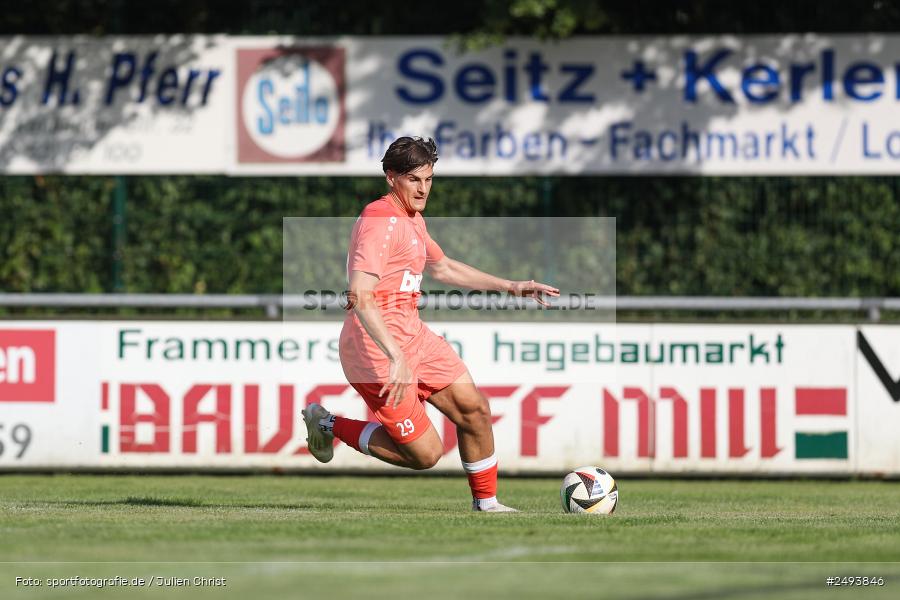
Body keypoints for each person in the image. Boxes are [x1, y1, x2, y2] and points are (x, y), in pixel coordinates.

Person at [302, 136, 559, 512]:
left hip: (414, 338)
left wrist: (511, 286)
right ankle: (326, 424)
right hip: (375, 348)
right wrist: (395, 356)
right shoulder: (380, 219)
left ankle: (487, 505)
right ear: (392, 178)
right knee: (425, 454)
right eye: (414, 180)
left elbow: (444, 267)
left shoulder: (412, 220)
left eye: (429, 179)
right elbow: (360, 292)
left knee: (474, 410)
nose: (424, 188)